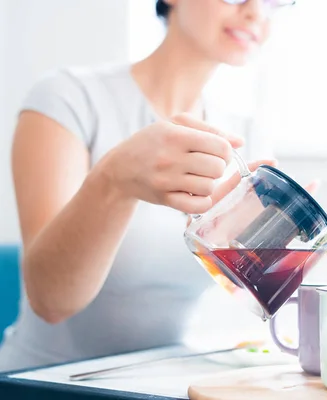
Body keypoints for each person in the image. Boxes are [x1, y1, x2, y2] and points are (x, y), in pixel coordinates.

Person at [0, 0, 296, 372]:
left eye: (276, 2)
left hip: (163, 382)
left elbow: (246, 303)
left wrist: (263, 259)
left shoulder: (245, 140)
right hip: (42, 384)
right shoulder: (67, 98)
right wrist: (114, 181)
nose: (256, 12)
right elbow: (52, 301)